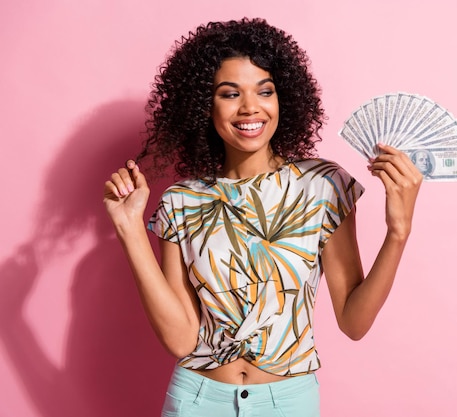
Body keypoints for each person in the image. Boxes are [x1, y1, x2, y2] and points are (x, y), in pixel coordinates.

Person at [103, 17, 422, 417]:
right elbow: (181, 339)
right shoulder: (181, 201)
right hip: (197, 400)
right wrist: (130, 228)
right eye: (230, 93)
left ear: (283, 98)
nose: (250, 107)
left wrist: (398, 232)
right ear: (204, 105)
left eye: (265, 91)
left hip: (288, 403)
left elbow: (354, 323)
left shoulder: (323, 186)